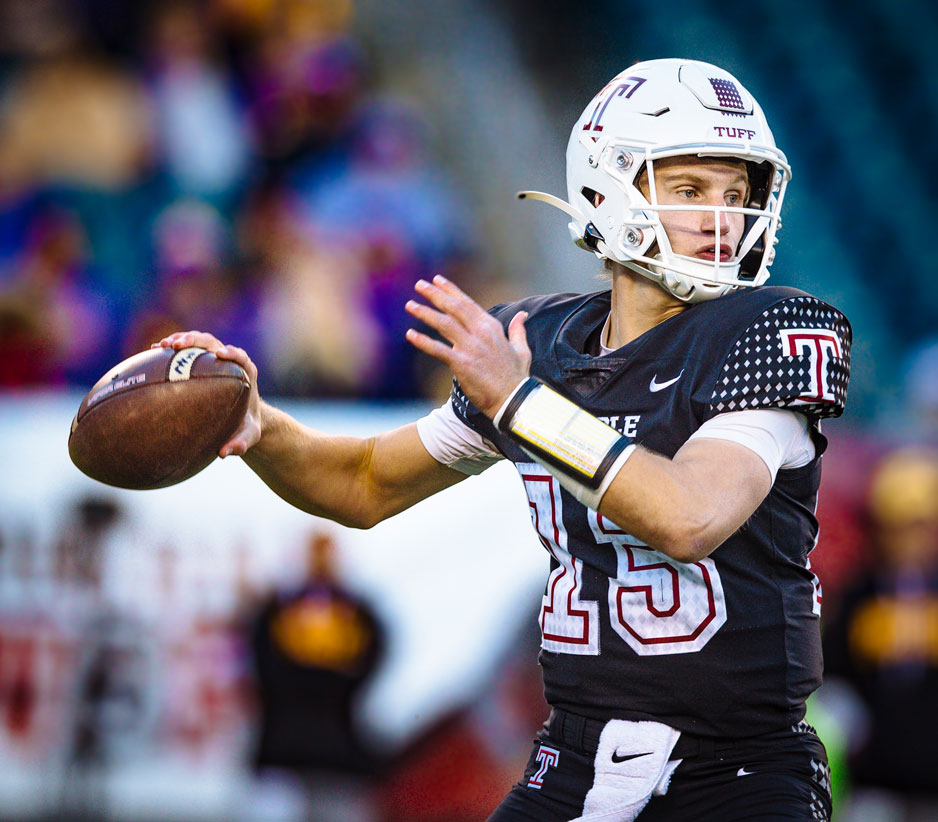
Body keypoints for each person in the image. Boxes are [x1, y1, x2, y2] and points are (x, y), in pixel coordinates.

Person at [156, 58, 851, 821]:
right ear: (601, 190)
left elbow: (690, 517)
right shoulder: (541, 340)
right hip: (574, 762)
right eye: (689, 190)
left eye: (736, 193)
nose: (722, 220)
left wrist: (520, 403)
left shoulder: (770, 329)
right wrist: (262, 429)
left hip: (738, 773)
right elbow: (362, 483)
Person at [822, 450, 938, 822]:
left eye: (916, 525)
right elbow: (834, 674)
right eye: (895, 525)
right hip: (875, 777)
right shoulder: (858, 594)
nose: (906, 539)